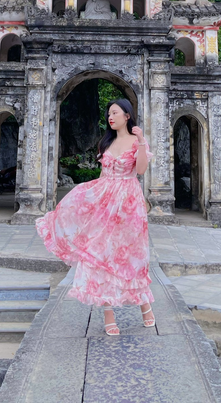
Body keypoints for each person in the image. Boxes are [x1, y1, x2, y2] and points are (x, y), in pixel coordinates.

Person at [35, 98, 155, 336]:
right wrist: (90, 200)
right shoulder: (106, 142)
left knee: (132, 256)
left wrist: (141, 142)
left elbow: (140, 171)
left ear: (127, 116)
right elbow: (103, 174)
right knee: (102, 254)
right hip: (106, 199)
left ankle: (145, 305)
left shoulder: (135, 141)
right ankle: (108, 314)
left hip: (129, 203)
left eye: (115, 113)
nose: (110, 117)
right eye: (108, 114)